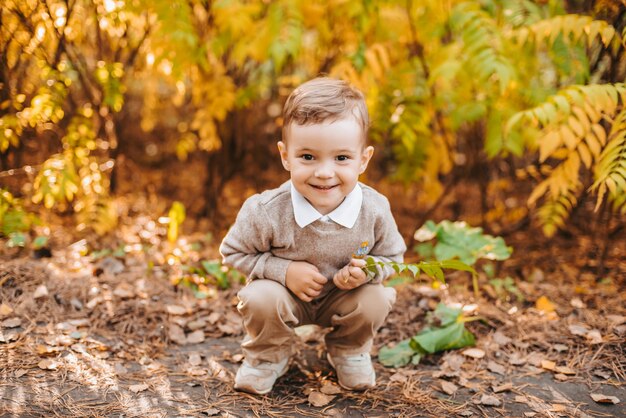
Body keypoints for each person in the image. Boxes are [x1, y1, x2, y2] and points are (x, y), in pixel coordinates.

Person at [219, 77, 406, 395]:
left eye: (342, 158)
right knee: (259, 297)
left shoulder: (374, 209)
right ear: (285, 156)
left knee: (377, 298)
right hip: (285, 297)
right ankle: (267, 356)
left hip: (344, 297)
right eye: (308, 157)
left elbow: (393, 258)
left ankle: (349, 350)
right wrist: (284, 271)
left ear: (363, 159)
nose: (324, 172)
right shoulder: (267, 211)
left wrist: (366, 272)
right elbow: (233, 252)